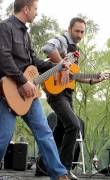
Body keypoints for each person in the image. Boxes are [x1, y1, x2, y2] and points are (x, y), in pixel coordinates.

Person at [0, 0, 70, 179]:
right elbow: (4, 57)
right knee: (4, 137)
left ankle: (59, 174)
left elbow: (34, 61)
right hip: (7, 93)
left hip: (29, 95)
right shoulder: (5, 27)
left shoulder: (26, 34)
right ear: (26, 9)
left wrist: (57, 65)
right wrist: (23, 81)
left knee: (44, 131)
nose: (37, 13)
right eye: (35, 9)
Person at [41, 17, 106, 180]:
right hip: (56, 93)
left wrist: (93, 79)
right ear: (69, 29)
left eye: (82, 32)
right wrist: (63, 65)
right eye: (77, 31)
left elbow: (73, 75)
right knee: (74, 125)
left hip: (67, 93)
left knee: (62, 129)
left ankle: (44, 166)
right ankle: (64, 169)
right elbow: (47, 48)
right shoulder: (63, 40)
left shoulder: (75, 48)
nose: (79, 34)